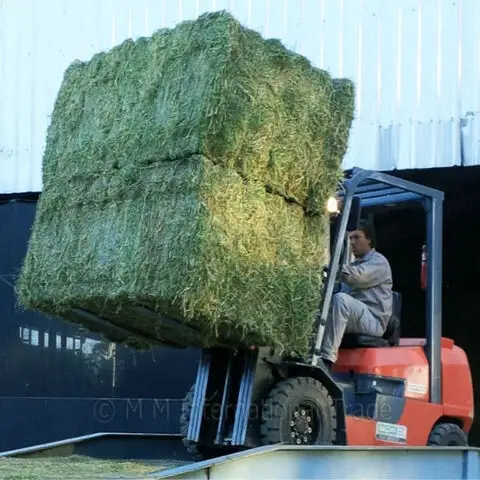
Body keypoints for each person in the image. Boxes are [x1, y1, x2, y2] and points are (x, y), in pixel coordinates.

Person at [319, 220, 393, 370]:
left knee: (341, 301)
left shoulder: (378, 262)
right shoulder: (355, 264)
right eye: (350, 238)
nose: (352, 242)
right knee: (321, 307)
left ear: (369, 239)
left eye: (357, 237)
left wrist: (329, 267)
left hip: (373, 320)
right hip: (357, 316)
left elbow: (357, 277)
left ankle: (325, 361)